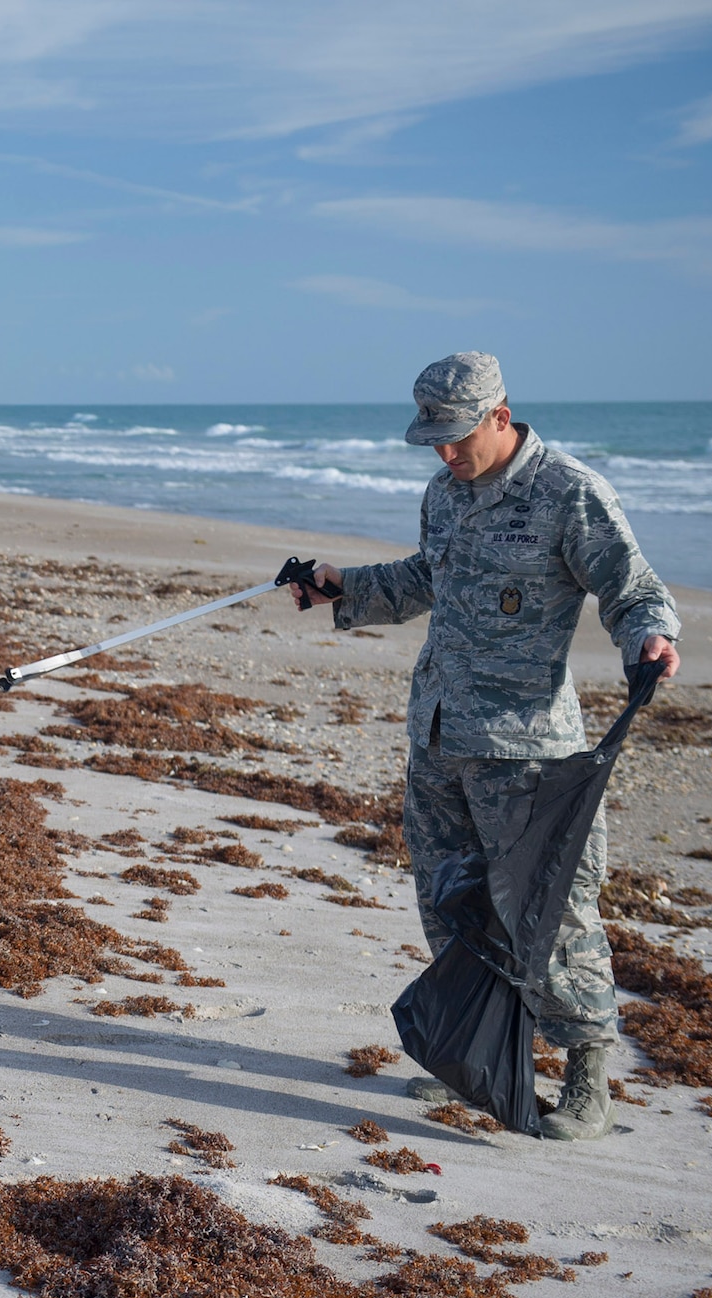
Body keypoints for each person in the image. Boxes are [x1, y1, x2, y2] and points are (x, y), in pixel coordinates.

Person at [295, 352, 680, 1140]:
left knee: (553, 910)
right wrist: (344, 585)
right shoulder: (443, 492)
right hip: (437, 734)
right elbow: (426, 578)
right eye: (432, 439)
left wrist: (650, 639)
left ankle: (586, 1074)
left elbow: (632, 589)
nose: (444, 453)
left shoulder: (568, 493)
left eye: (456, 437)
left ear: (500, 416)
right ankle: (476, 1055)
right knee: (452, 901)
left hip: (526, 749)